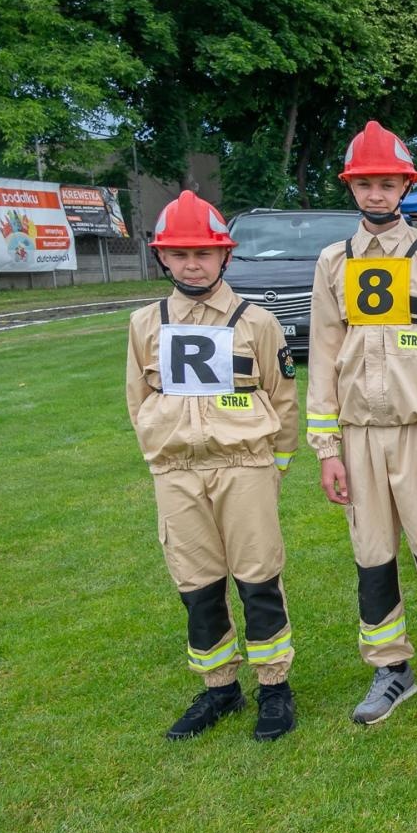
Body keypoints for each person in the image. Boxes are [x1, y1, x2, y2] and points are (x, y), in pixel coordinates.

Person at [306, 120, 417, 726]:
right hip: (358, 434)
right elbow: (323, 357)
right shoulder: (333, 261)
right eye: (365, 184)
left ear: (406, 186)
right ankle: (391, 668)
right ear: (351, 188)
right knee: (372, 555)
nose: (377, 195)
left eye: (387, 184)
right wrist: (327, 448)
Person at [126, 191, 299, 741]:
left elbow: (283, 397)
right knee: (197, 584)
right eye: (179, 254)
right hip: (177, 472)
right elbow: (138, 399)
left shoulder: (257, 322)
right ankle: (219, 687)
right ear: (162, 258)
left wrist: (276, 465)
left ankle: (274, 687)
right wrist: (163, 450)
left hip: (244, 466)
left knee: (258, 578)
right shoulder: (144, 323)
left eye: (203, 252)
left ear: (226, 255)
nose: (192, 263)